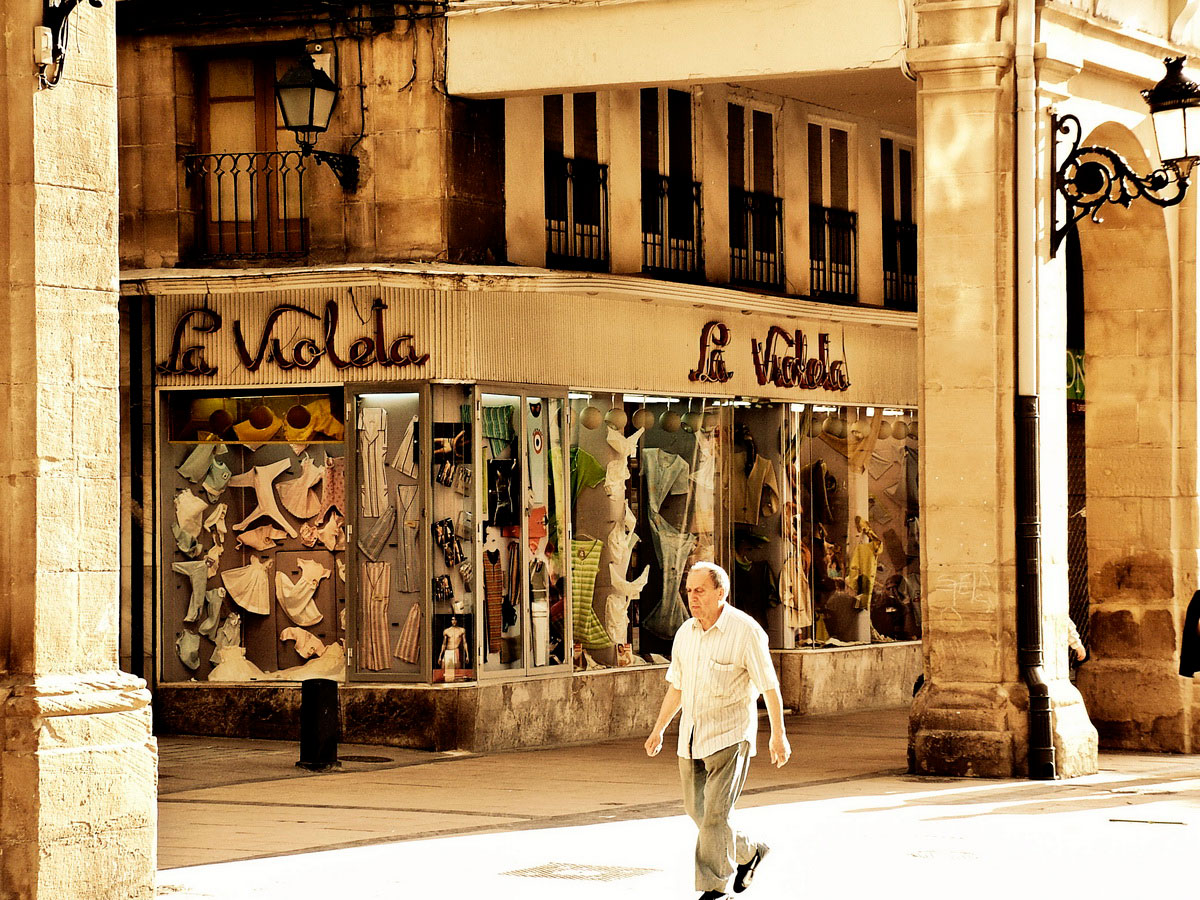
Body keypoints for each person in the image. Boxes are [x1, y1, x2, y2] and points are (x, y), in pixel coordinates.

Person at [645, 561, 791, 900]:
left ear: (720, 592)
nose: (692, 597)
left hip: (730, 735)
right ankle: (750, 851)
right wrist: (659, 729)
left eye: (700, 590)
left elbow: (769, 686)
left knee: (715, 814)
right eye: (689, 591)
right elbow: (677, 686)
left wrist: (778, 734)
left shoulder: (745, 631)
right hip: (692, 736)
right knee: (698, 811)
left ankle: (714, 888)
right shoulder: (685, 633)